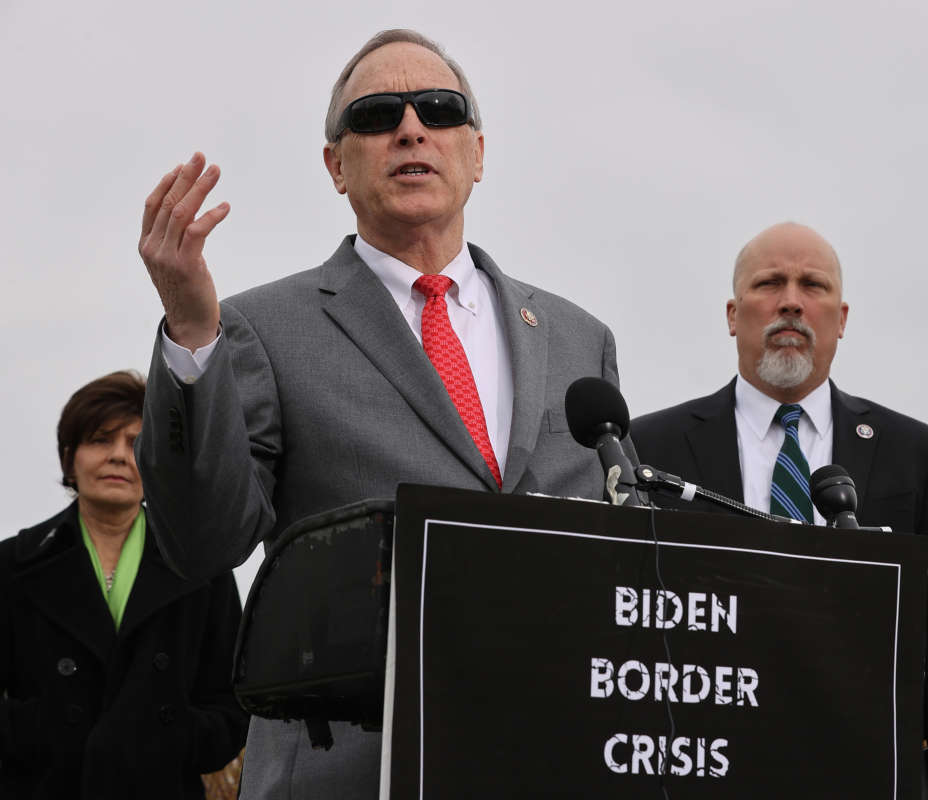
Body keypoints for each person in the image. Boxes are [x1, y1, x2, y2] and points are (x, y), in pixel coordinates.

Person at [136, 29, 625, 798]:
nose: (409, 128)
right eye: (375, 115)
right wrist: (195, 335)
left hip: (552, 757)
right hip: (352, 766)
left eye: (438, 108)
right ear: (336, 165)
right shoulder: (261, 329)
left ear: (478, 153)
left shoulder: (577, 340)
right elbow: (201, 543)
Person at [630, 222, 928, 798]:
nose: (792, 302)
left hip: (861, 767)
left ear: (842, 320)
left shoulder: (911, 453)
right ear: (732, 314)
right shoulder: (654, 447)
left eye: (813, 286)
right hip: (705, 764)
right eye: (770, 283)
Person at [0, 370, 247, 798]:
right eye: (100, 439)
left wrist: (168, 735)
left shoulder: (203, 567)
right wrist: (40, 729)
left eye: (137, 444)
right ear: (68, 457)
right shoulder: (11, 564)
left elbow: (233, 706)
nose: (119, 456)